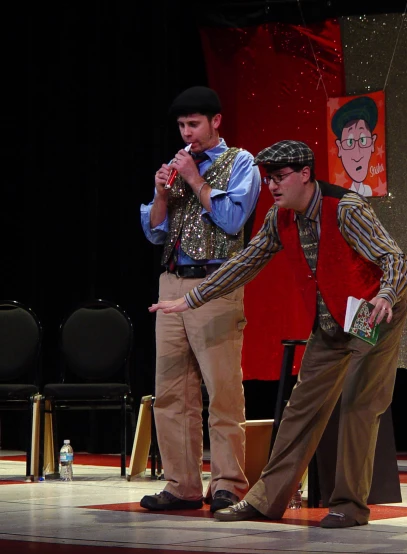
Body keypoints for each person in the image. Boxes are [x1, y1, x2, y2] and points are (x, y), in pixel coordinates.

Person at [149, 140, 407, 528]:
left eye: (280, 177)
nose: (272, 185)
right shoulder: (281, 217)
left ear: (306, 174)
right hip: (330, 322)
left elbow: (393, 257)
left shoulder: (346, 209)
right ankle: (265, 500)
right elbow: (247, 261)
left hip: (372, 314)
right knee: (300, 409)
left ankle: (350, 506)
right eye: (268, 178)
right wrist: (192, 298)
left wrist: (387, 294)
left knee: (357, 405)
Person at [139, 86, 261, 513]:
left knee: (221, 388)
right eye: (181, 126)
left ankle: (228, 482)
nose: (187, 133)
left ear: (216, 122)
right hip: (171, 282)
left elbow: (232, 220)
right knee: (171, 391)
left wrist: (194, 177)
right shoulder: (176, 167)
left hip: (216, 283)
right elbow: (154, 231)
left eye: (194, 124)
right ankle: (182, 484)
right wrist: (160, 193)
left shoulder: (241, 162)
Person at [332, 95, 378, 196]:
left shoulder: (369, 190)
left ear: (372, 143)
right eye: (349, 142)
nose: (357, 154)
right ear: (339, 148)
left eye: (363, 140)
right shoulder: (343, 195)